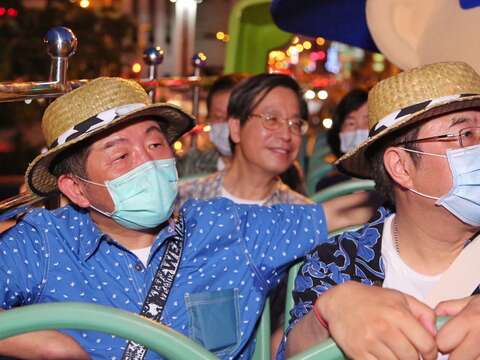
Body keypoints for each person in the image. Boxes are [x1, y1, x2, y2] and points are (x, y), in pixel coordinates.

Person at [0, 77, 376, 359]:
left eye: (155, 144)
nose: (148, 163)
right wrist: (46, 344)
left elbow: (344, 212)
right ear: (76, 190)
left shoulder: (228, 227)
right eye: (120, 156)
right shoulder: (44, 244)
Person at [282, 61, 480, 359]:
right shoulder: (339, 262)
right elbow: (291, 352)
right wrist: (330, 312)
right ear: (401, 167)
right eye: (465, 134)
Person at [178, 73, 313, 207]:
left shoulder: (303, 216)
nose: (286, 135)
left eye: (295, 124)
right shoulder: (183, 201)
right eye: (272, 119)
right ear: (236, 128)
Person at [176, 74, 245, 177]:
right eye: (219, 117)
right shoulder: (191, 165)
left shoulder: (270, 172)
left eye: (235, 117)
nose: (228, 125)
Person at [315, 89, 368, 190]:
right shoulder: (329, 186)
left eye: (368, 122)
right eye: (351, 123)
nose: (359, 130)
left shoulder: (393, 181)